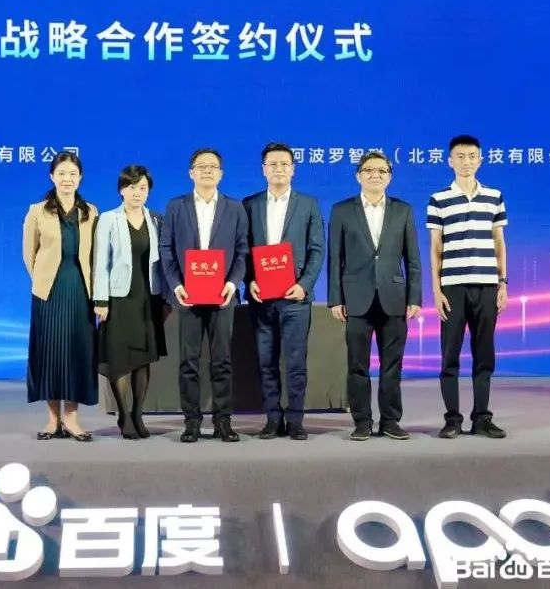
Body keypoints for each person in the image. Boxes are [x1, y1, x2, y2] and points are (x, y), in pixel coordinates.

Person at [327, 150, 422, 441]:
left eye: (382, 171)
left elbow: (412, 258)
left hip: (394, 298)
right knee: (357, 366)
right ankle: (362, 422)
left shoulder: (403, 210)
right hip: (356, 299)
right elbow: (335, 258)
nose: (375, 175)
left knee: (392, 365)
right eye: (369, 170)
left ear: (390, 177)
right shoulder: (342, 210)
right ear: (358, 176)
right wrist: (335, 299)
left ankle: (390, 421)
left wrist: (414, 297)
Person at [159, 148, 249, 443]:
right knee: (189, 362)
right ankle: (192, 422)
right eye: (201, 166)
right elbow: (166, 249)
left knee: (222, 361)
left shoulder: (235, 208)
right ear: (191, 173)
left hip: (223, 297)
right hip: (188, 296)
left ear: (221, 173)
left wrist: (232, 284)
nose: (207, 170)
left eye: (213, 166)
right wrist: (177, 285)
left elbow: (242, 250)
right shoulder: (176, 206)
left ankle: (223, 422)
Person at [427, 134, 509, 439]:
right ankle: (452, 419)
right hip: (452, 288)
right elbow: (436, 247)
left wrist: (503, 283)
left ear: (480, 160)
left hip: (487, 286)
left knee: (484, 354)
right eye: (460, 156)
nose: (466, 161)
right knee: (450, 356)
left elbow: (499, 243)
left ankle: (482, 418)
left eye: (472, 156)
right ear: (450, 161)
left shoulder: (494, 196)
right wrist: (436, 290)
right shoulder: (439, 199)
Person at [242, 142, 325, 440]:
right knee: (266, 362)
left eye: (284, 164)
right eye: (273, 164)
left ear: (293, 169)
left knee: (295, 363)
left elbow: (317, 250)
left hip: (295, 298)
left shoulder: (309, 204)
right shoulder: (249, 204)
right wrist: (248, 280)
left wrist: (304, 286)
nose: (279, 169)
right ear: (263, 169)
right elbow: (243, 249)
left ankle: (296, 420)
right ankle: (273, 419)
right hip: (261, 298)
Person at [22, 151, 99, 442]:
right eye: (62, 173)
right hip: (49, 291)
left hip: (81, 289)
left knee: (78, 352)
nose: (67, 179)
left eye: (73, 174)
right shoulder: (37, 211)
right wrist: (42, 280)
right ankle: (53, 419)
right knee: (50, 353)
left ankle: (72, 419)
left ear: (80, 178)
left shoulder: (91, 212)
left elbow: (95, 254)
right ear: (52, 176)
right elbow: (29, 253)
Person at [92, 165, 169, 440]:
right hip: (118, 299)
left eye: (143, 188)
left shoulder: (156, 219)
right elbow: (100, 262)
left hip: (147, 298)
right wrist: (100, 300)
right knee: (120, 359)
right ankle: (123, 415)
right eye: (132, 187)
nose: (138, 193)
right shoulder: (108, 219)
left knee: (142, 359)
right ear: (121, 190)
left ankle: (138, 413)